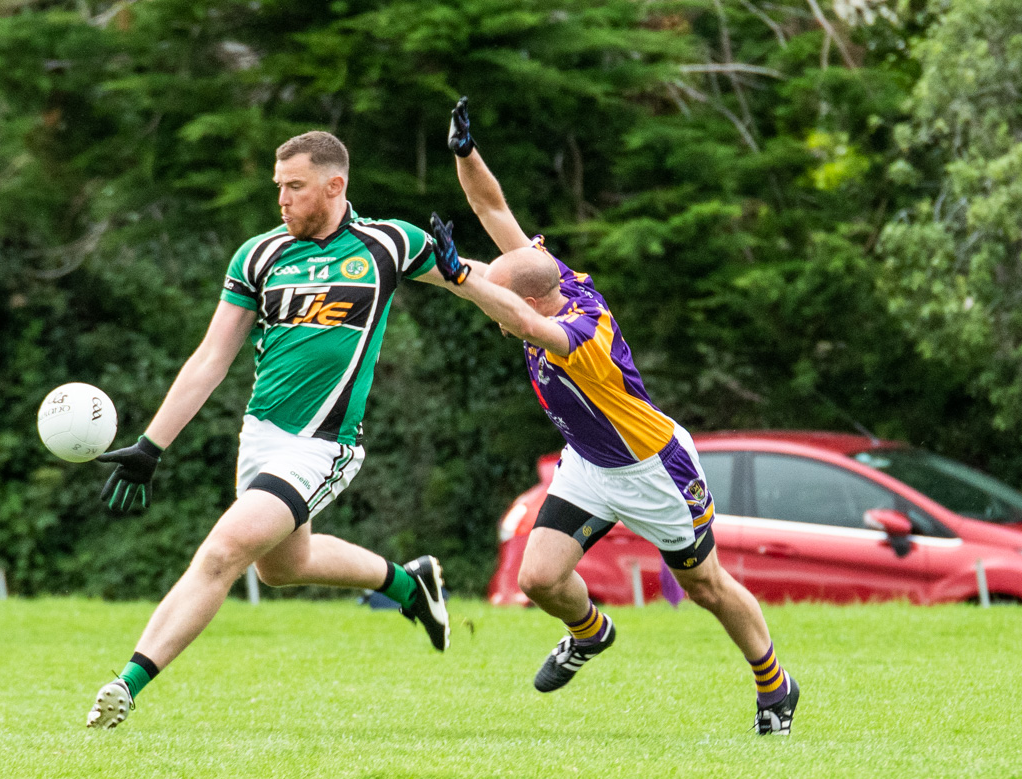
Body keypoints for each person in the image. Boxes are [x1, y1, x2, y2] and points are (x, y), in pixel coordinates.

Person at [426, 98, 800, 735]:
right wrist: (465, 153)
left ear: (530, 297)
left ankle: (775, 686)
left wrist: (458, 274)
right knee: (539, 577)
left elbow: (516, 317)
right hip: (591, 463)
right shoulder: (549, 277)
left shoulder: (575, 332)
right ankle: (590, 633)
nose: (493, 296)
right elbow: (494, 211)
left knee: (707, 586)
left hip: (652, 468)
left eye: (498, 289)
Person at [86, 131, 452, 730]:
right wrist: (152, 446)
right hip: (259, 439)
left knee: (224, 550)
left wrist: (551, 284)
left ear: (335, 185)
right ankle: (409, 586)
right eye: (278, 186)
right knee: (280, 568)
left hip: (324, 446)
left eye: (295, 186)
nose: (281, 199)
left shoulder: (389, 242)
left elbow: (484, 282)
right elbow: (212, 357)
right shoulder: (259, 255)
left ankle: (128, 683)